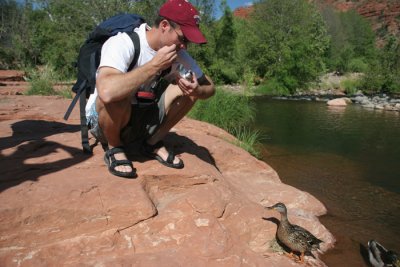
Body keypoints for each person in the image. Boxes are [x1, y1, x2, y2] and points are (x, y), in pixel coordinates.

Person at [85, 0, 215, 178]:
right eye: (183, 38)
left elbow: (210, 86)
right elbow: (107, 92)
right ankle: (115, 147)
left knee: (188, 90)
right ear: (164, 25)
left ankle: (152, 142)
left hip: (140, 118)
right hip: (105, 123)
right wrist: (154, 66)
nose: (185, 46)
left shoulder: (177, 53)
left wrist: (197, 91)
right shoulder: (123, 43)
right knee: (119, 93)